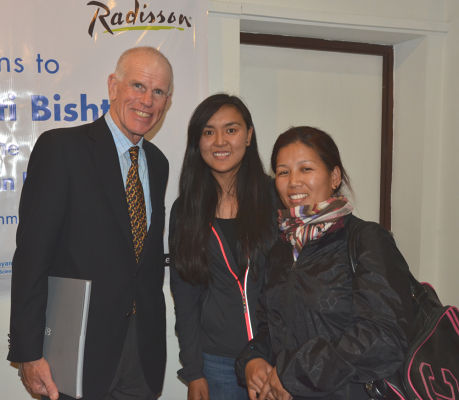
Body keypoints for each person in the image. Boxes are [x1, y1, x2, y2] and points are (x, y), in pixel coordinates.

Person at [8, 46, 173, 400]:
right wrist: (28, 352)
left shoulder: (158, 164)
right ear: (113, 86)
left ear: (167, 101)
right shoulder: (61, 149)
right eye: (138, 86)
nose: (147, 100)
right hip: (76, 351)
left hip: (141, 355)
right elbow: (32, 256)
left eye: (158, 91)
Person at [236, 126, 415, 400]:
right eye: (283, 172)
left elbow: (386, 336)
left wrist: (295, 373)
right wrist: (253, 359)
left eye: (306, 169)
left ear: (334, 177)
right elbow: (269, 326)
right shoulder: (281, 247)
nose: (293, 181)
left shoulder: (366, 239)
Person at [169, 94, 276, 400]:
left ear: (249, 135)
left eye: (231, 130)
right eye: (208, 131)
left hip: (278, 359)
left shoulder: (275, 198)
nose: (220, 141)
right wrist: (194, 371)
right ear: (197, 141)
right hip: (217, 365)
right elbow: (185, 297)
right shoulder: (186, 210)